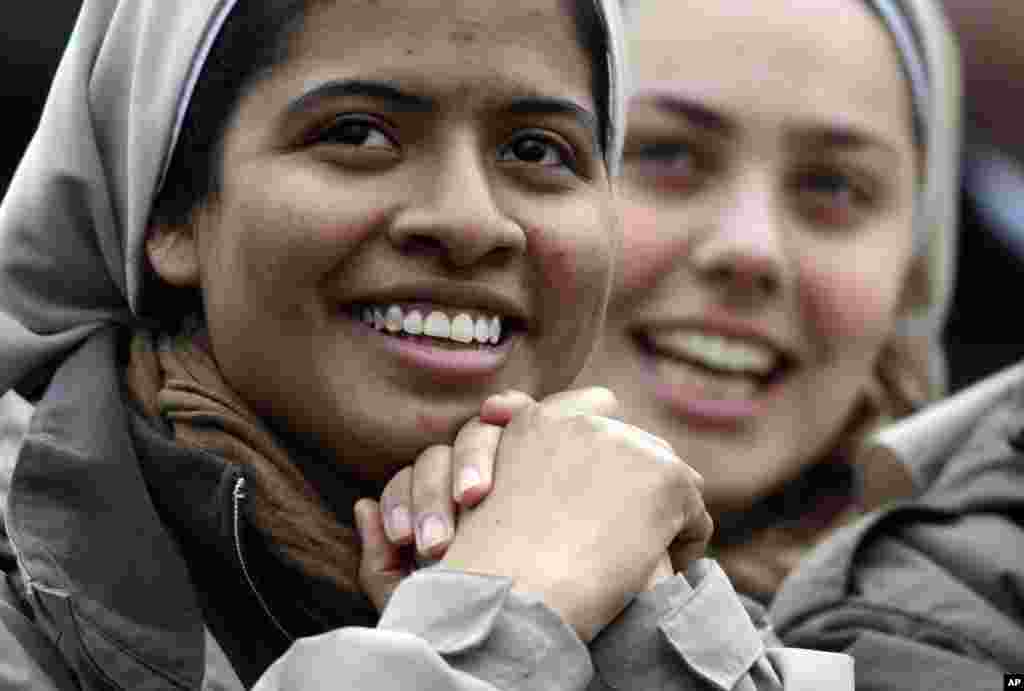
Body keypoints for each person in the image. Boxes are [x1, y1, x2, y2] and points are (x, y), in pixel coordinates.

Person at [0, 1, 850, 689]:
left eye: (535, 149)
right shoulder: (25, 608)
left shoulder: (655, 578)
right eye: (358, 133)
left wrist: (646, 637)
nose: (470, 223)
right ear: (170, 212)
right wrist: (499, 622)